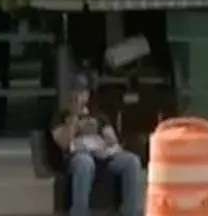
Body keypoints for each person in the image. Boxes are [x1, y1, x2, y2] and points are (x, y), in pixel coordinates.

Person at [52, 84, 144, 216]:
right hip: (78, 156)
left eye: (81, 94)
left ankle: (131, 211)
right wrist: (75, 123)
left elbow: (113, 140)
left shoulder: (98, 116)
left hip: (104, 155)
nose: (77, 98)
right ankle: (80, 213)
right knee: (85, 162)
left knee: (132, 161)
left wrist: (99, 130)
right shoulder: (60, 117)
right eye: (74, 94)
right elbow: (63, 143)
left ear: (87, 96)